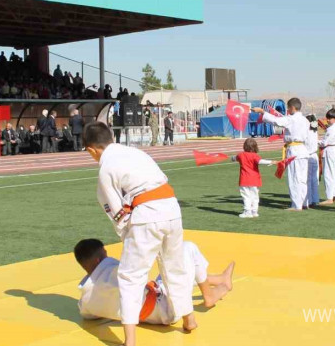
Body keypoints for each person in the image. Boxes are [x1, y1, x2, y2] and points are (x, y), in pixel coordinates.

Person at [82, 122, 197, 345]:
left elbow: (114, 210)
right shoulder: (135, 152)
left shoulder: (106, 168)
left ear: (91, 149)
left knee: (130, 276)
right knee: (175, 267)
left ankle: (130, 340)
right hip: (172, 208)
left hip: (147, 215)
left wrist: (126, 232)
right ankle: (189, 318)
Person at [74, 239, 234, 325]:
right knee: (187, 248)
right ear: (98, 259)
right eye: (105, 254)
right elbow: (138, 267)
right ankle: (210, 295)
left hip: (153, 309)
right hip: (167, 308)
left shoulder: (86, 301)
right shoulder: (116, 273)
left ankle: (219, 279)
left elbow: (88, 316)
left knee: (172, 275)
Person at [253, 98, 310, 211]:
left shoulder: (291, 119)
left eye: (288, 108)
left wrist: (262, 112)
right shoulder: (305, 120)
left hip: (295, 150)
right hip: (303, 150)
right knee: (302, 179)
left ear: (292, 108)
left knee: (294, 178)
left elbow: (276, 121)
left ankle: (296, 205)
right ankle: (304, 202)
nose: (288, 110)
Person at [230, 138, 274, 218]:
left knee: (246, 196)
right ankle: (254, 211)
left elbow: (234, 158)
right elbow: (260, 161)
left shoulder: (241, 155)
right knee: (255, 196)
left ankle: (247, 212)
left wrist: (232, 158)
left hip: (244, 179)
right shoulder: (255, 156)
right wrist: (271, 161)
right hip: (255, 179)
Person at [318, 109, 335, 205]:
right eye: (327, 118)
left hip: (330, 151)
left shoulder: (331, 129)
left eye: (330, 118)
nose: (328, 120)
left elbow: (325, 142)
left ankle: (329, 198)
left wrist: (316, 141)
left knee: (328, 174)